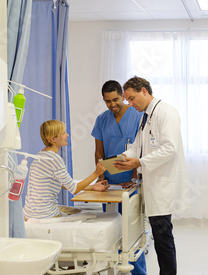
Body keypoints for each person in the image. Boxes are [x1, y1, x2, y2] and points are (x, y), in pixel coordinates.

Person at [114, 76, 187, 275]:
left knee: (163, 238)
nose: (130, 103)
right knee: (158, 235)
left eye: (131, 98)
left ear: (144, 91)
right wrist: (123, 157)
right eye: (127, 99)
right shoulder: (146, 117)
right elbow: (137, 146)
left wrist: (140, 162)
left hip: (162, 185)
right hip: (150, 184)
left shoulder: (166, 112)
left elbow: (170, 148)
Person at [91, 80, 147, 275]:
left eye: (115, 99)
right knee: (113, 230)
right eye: (107, 101)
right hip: (110, 183)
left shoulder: (138, 115)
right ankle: (114, 270)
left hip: (131, 182)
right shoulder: (101, 120)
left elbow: (140, 149)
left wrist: (133, 178)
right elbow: (99, 151)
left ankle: (138, 272)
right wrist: (99, 177)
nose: (112, 105)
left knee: (133, 233)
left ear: (122, 95)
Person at [23, 120, 109, 219]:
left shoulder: (40, 155)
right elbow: (74, 189)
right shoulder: (54, 159)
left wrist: (92, 187)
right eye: (63, 133)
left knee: (75, 211)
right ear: (53, 139)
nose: (67, 135)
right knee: (87, 215)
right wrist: (96, 173)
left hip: (30, 212)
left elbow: (64, 185)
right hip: (44, 215)